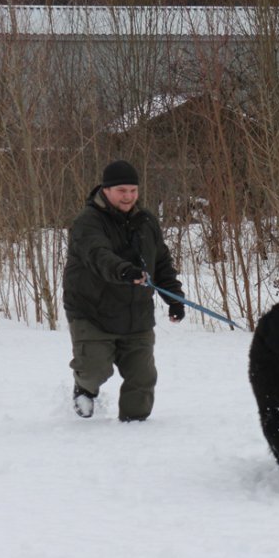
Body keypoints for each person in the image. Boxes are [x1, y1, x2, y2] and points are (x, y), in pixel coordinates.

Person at [63, 160, 185, 422]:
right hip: (92, 310)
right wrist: (124, 271)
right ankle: (84, 389)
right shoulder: (87, 222)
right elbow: (98, 255)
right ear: (106, 190)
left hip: (136, 313)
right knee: (95, 369)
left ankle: (134, 430)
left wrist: (174, 298)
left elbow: (161, 261)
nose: (128, 196)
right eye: (121, 191)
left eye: (133, 190)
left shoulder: (146, 221)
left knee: (143, 379)